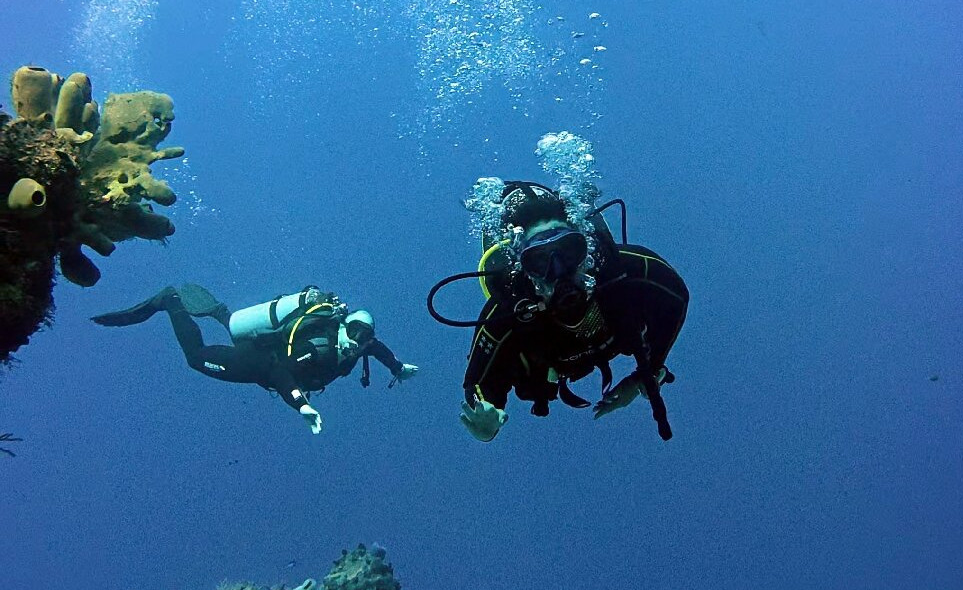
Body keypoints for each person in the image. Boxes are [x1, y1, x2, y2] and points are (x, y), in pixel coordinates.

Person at [429, 181, 689, 442]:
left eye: (568, 251)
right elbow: (478, 383)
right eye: (540, 259)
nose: (559, 269)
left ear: (585, 245)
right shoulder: (507, 313)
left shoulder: (628, 271)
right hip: (546, 369)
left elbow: (676, 297)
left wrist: (649, 372)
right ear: (522, 267)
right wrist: (486, 422)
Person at [93, 284, 418, 434]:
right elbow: (280, 373)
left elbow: (376, 347)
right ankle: (171, 301)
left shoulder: (357, 347)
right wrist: (301, 405)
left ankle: (222, 314)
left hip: (270, 353)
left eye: (364, 338)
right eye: (356, 333)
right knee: (195, 358)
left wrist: (396, 367)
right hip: (259, 364)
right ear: (344, 326)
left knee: (238, 329)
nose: (357, 344)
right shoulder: (318, 347)